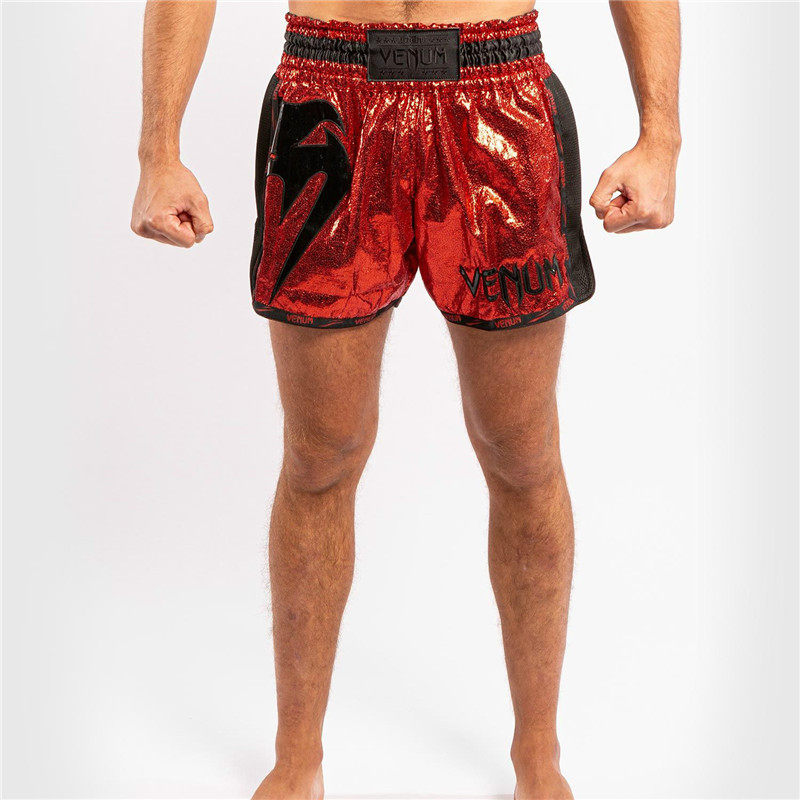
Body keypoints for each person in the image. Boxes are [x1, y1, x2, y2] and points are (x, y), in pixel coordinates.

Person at [130, 1, 680, 797]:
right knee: (320, 458)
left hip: (499, 95)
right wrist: (158, 149)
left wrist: (661, 136)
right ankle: (296, 760)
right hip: (327, 96)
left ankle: (538, 756)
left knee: (521, 454)